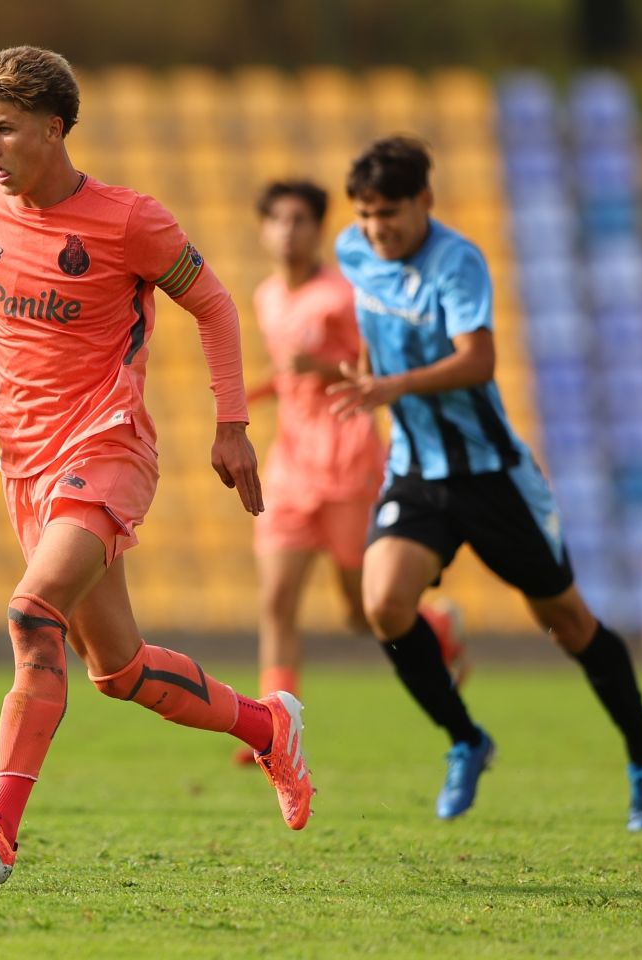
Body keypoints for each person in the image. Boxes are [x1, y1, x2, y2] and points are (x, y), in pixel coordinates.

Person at [0, 46, 314, 887]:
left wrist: (232, 425)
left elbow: (215, 306)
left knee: (30, 613)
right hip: (24, 463)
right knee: (118, 671)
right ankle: (270, 729)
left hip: (106, 447)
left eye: (6, 129)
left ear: (54, 128)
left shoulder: (128, 221)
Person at [328, 137, 642, 830]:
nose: (375, 228)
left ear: (425, 201)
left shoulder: (456, 261)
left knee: (566, 622)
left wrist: (394, 385)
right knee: (384, 605)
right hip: (416, 470)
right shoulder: (353, 251)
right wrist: (367, 375)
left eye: (388, 212)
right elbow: (373, 319)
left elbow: (478, 360)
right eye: (365, 214)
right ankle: (465, 740)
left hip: (491, 477)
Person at [242, 180, 467, 748]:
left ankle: (437, 628)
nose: (288, 231)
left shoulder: (344, 296)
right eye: (278, 220)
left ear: (319, 229)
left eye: (300, 220)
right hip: (291, 466)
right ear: (263, 229)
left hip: (347, 459)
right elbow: (289, 373)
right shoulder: (268, 297)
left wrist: (321, 367)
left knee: (361, 612)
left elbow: (377, 370)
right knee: (276, 599)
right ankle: (274, 731)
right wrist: (252, 394)